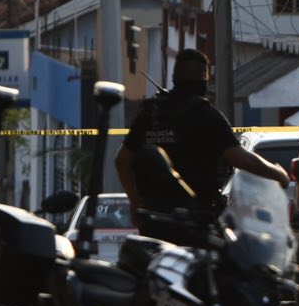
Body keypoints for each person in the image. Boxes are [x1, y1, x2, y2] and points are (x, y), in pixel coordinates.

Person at [117, 49, 288, 231]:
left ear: (174, 77)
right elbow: (241, 159)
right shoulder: (207, 115)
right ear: (205, 81)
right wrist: (278, 174)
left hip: (154, 219)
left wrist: (135, 201)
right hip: (196, 223)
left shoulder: (150, 114)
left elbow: (122, 161)